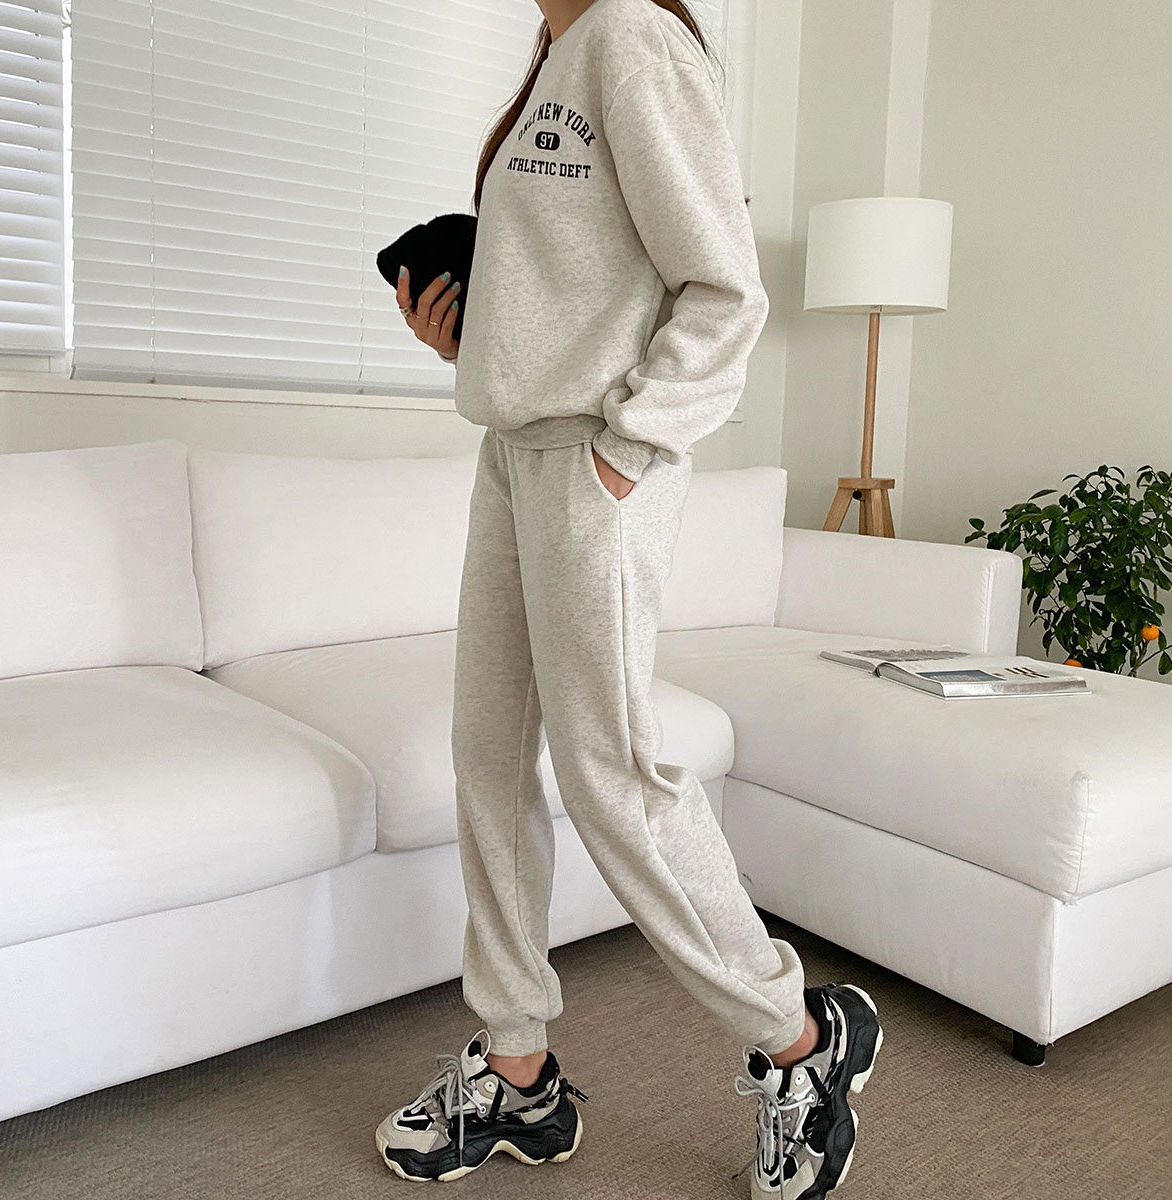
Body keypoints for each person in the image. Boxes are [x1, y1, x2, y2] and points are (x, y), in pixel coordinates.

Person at [377, 1, 882, 1196]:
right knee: (487, 756)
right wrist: (471, 342)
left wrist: (630, 446)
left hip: (592, 464)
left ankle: (798, 1039)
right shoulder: (556, 54)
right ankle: (517, 1067)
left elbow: (724, 287)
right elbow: (581, 288)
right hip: (514, 453)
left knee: (610, 776)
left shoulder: (632, 42)